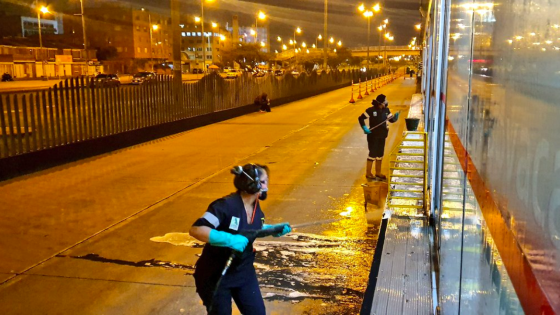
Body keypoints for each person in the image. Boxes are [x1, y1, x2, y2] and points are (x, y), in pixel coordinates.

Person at [189, 163, 291, 314]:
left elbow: (248, 228)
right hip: (216, 275)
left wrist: (272, 229)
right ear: (252, 184)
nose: (266, 186)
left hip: (243, 273)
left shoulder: (255, 208)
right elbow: (197, 229)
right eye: (263, 182)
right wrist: (230, 239)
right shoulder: (226, 206)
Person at [358, 94, 400, 181]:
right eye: (385, 101)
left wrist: (395, 118)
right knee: (372, 154)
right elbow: (361, 118)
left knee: (380, 154)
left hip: (382, 135)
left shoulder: (386, 110)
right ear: (380, 103)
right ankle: (368, 173)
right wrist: (364, 127)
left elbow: (391, 119)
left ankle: (378, 172)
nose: (386, 102)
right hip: (373, 136)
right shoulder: (370, 110)